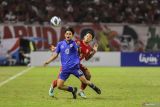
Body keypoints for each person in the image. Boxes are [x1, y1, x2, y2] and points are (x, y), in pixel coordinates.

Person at [44, 27, 101, 99]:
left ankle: (81, 91)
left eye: (90, 37)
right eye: (87, 36)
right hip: (68, 63)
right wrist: (55, 48)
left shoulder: (89, 48)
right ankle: (53, 85)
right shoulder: (77, 42)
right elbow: (66, 45)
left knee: (88, 75)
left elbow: (87, 58)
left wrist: (94, 52)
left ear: (91, 39)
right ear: (84, 36)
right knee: (60, 81)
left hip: (77, 64)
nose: (87, 38)